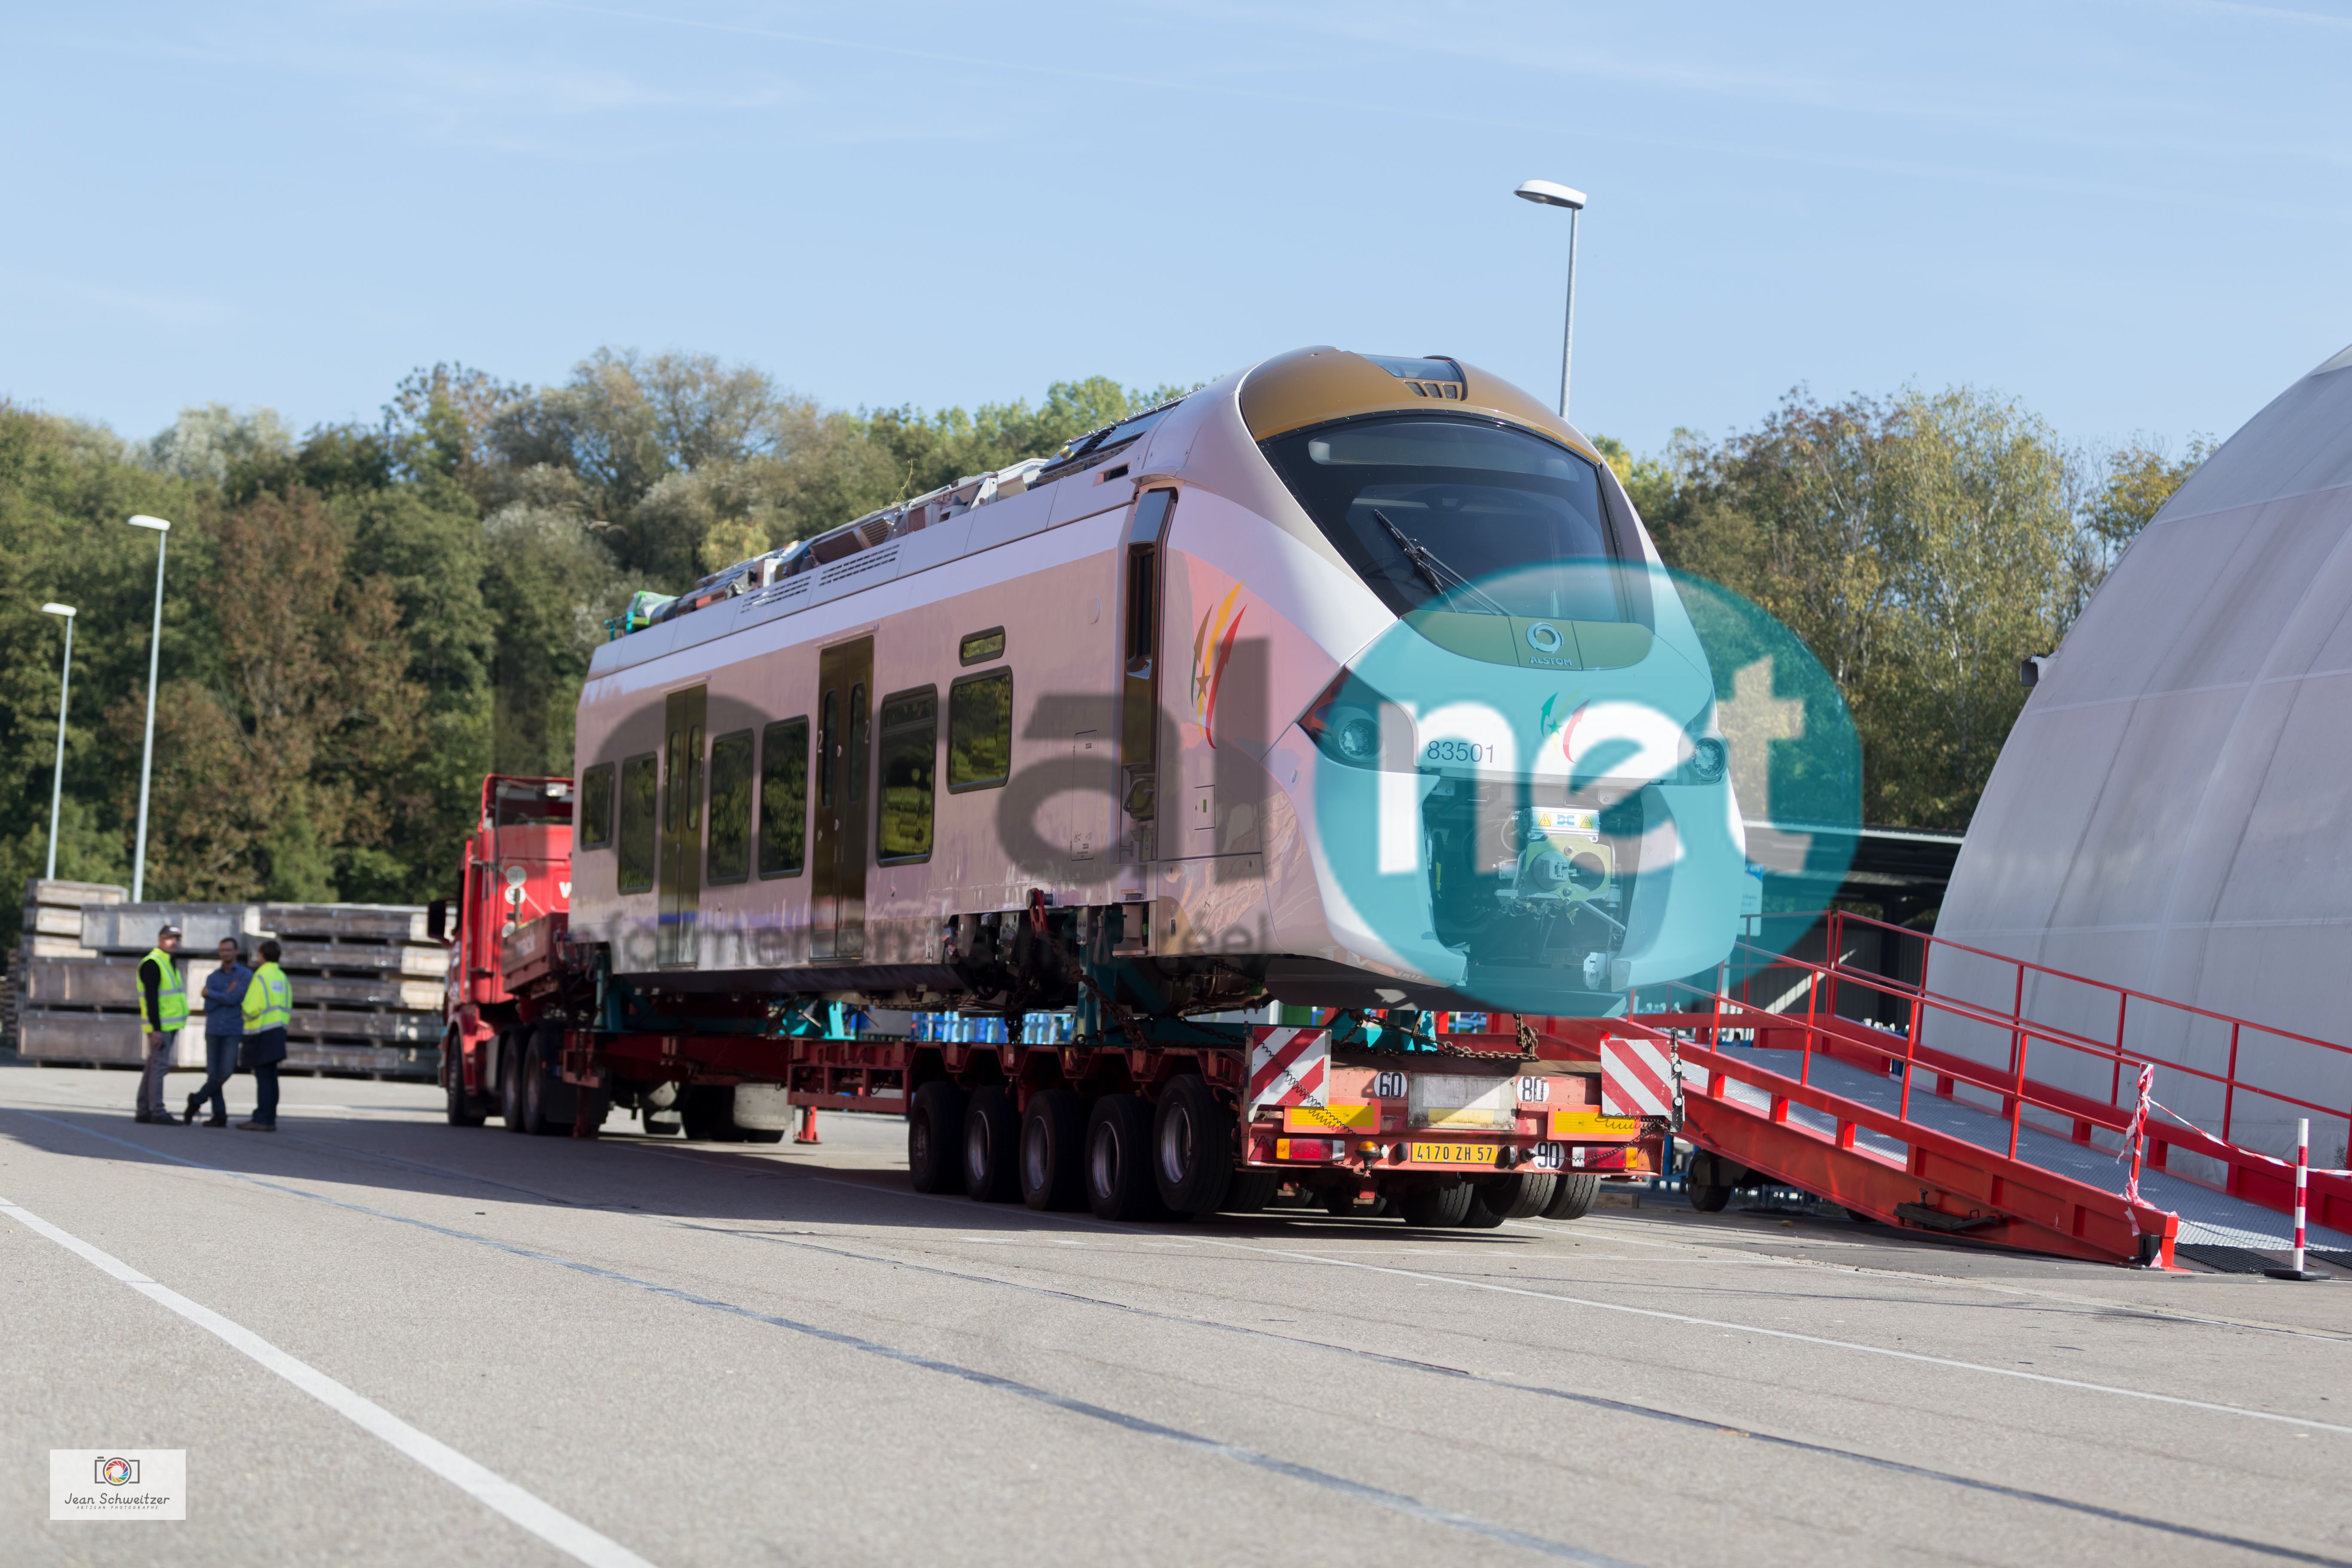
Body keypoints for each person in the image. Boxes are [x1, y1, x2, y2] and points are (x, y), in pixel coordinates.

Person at [185, 938, 250, 1127]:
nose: (226, 954)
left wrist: (212, 994)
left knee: (225, 1072)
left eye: (229, 950)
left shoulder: (245, 975)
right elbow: (209, 1006)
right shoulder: (213, 977)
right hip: (213, 1028)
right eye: (223, 950)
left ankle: (197, 1100)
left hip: (232, 1029)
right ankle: (219, 1115)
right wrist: (224, 996)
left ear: (236, 951)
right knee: (213, 1073)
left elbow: (234, 999)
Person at [134, 925, 187, 1124]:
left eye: (177, 939)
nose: (174, 942)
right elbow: (152, 999)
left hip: (168, 1025)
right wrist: (156, 1029)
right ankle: (157, 1111)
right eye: (169, 938)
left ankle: (143, 1109)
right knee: (159, 1067)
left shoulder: (168, 961)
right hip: (161, 1027)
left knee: (152, 1067)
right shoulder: (153, 963)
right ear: (160, 939)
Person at [238, 939, 292, 1131]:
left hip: (262, 1032)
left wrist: (243, 1013)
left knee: (263, 1077)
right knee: (272, 1077)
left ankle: (261, 1119)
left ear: (262, 955)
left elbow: (251, 1007)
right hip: (279, 1031)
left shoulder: (261, 976)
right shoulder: (282, 977)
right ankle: (270, 1118)